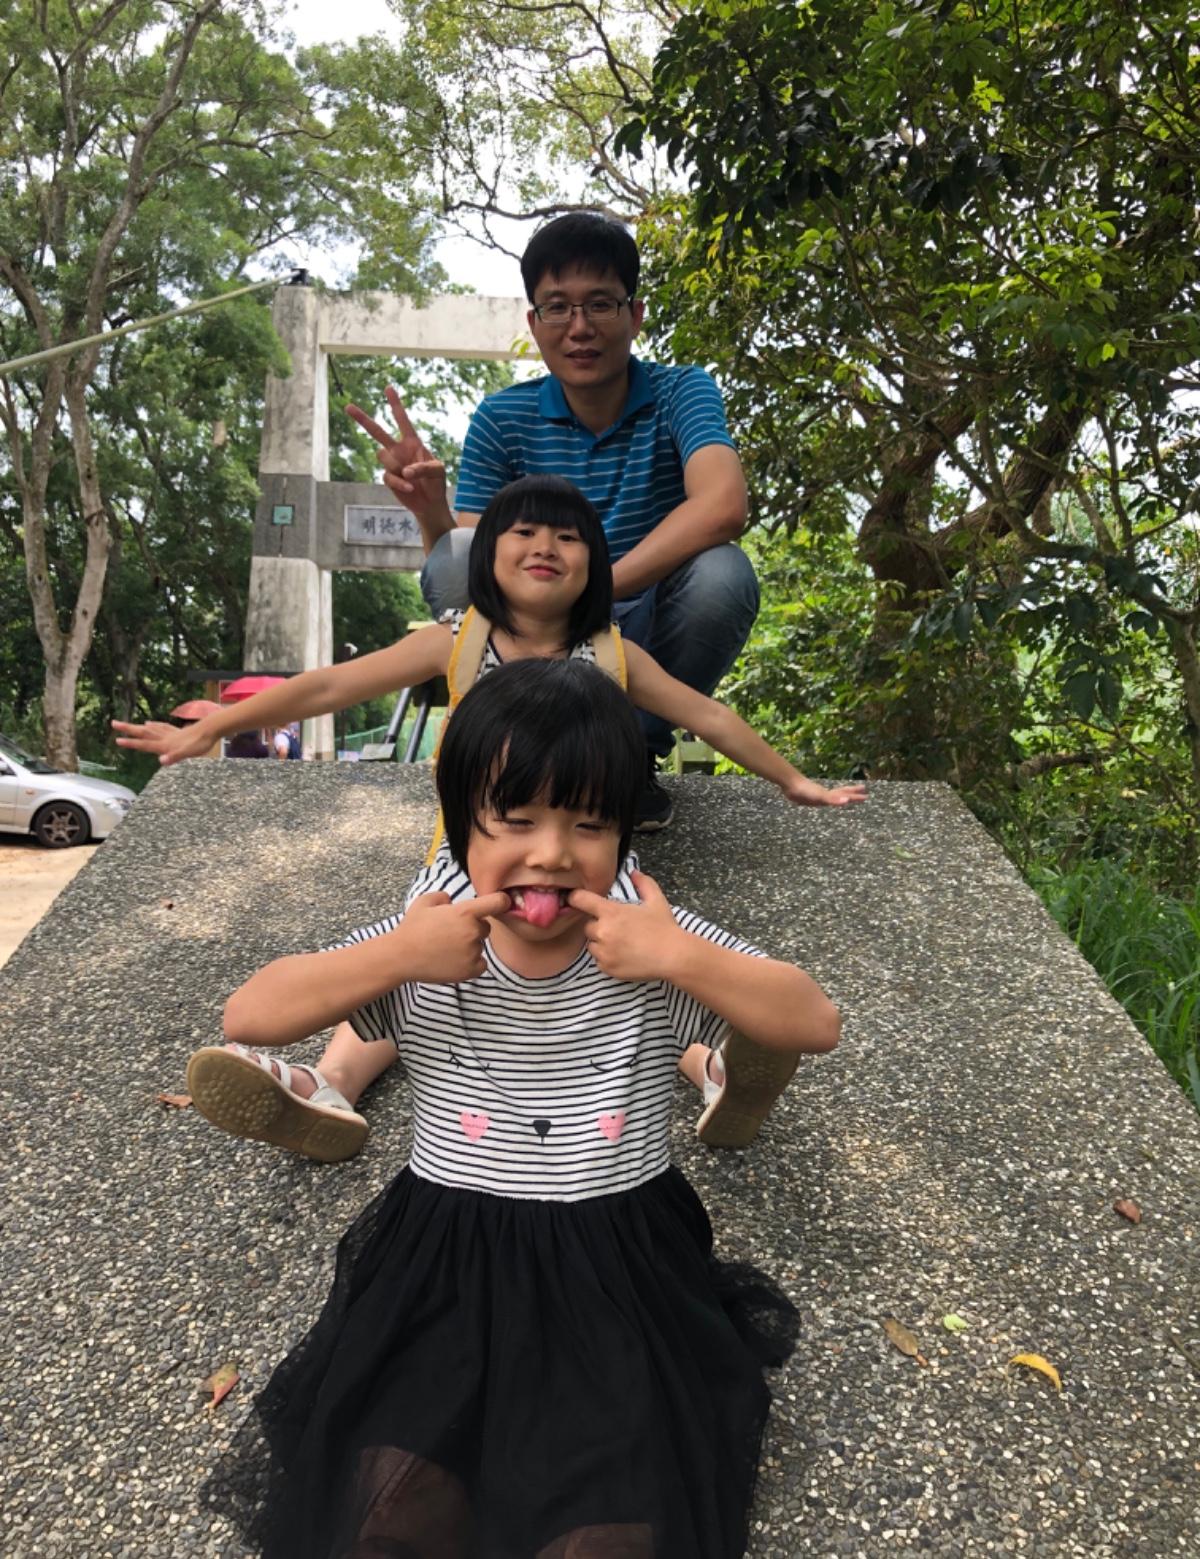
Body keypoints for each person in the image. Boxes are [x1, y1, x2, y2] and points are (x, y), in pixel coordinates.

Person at [212, 657, 840, 1559]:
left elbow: (814, 1021)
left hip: (618, 1264)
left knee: (606, 1527)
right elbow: (250, 1014)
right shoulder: (427, 944)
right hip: (444, 1263)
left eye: (590, 822)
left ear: (624, 833)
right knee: (394, 1507)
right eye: (516, 818)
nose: (552, 852)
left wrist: (680, 956)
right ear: (459, 822)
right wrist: (398, 953)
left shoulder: (648, 944)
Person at [114, 476, 863, 1162]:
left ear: (597, 563)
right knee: (418, 959)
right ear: (485, 555)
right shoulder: (457, 641)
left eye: (568, 536)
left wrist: (794, 781)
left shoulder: (615, 655)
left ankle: (717, 1067)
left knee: (636, 970)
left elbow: (707, 715)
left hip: (595, 858)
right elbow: (331, 686)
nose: (546, 546)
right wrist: (217, 726)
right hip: (470, 854)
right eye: (523, 531)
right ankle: (328, 1082)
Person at [346, 211, 757, 831]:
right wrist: (430, 509)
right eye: (558, 308)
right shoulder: (502, 418)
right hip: (539, 625)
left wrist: (597, 589)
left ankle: (627, 758)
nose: (580, 328)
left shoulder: (682, 393)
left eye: (601, 304)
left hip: (644, 616)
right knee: (460, 549)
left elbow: (723, 503)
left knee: (724, 576)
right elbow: (472, 575)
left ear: (635, 314)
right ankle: (514, 752)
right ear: (534, 323)